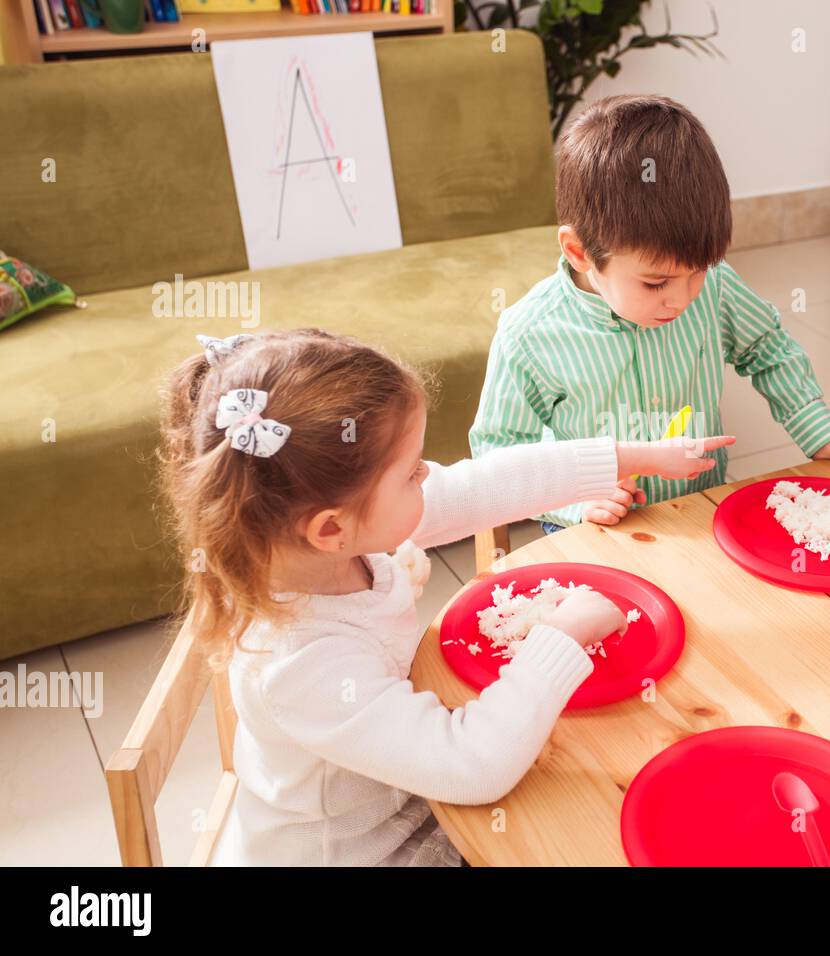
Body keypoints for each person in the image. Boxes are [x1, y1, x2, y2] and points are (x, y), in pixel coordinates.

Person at [159, 328, 732, 865]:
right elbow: (473, 767)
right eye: (411, 473)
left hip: (408, 787)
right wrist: (561, 636)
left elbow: (483, 486)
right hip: (369, 850)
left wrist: (632, 456)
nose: (430, 475)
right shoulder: (299, 663)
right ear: (330, 528)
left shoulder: (330, 542)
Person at [471, 94, 830, 533]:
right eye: (655, 283)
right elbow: (498, 450)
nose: (683, 298)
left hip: (702, 506)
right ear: (579, 252)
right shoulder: (528, 335)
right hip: (593, 527)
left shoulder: (716, 286)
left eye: (698, 272)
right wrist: (574, 501)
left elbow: (766, 346)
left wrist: (816, 428)